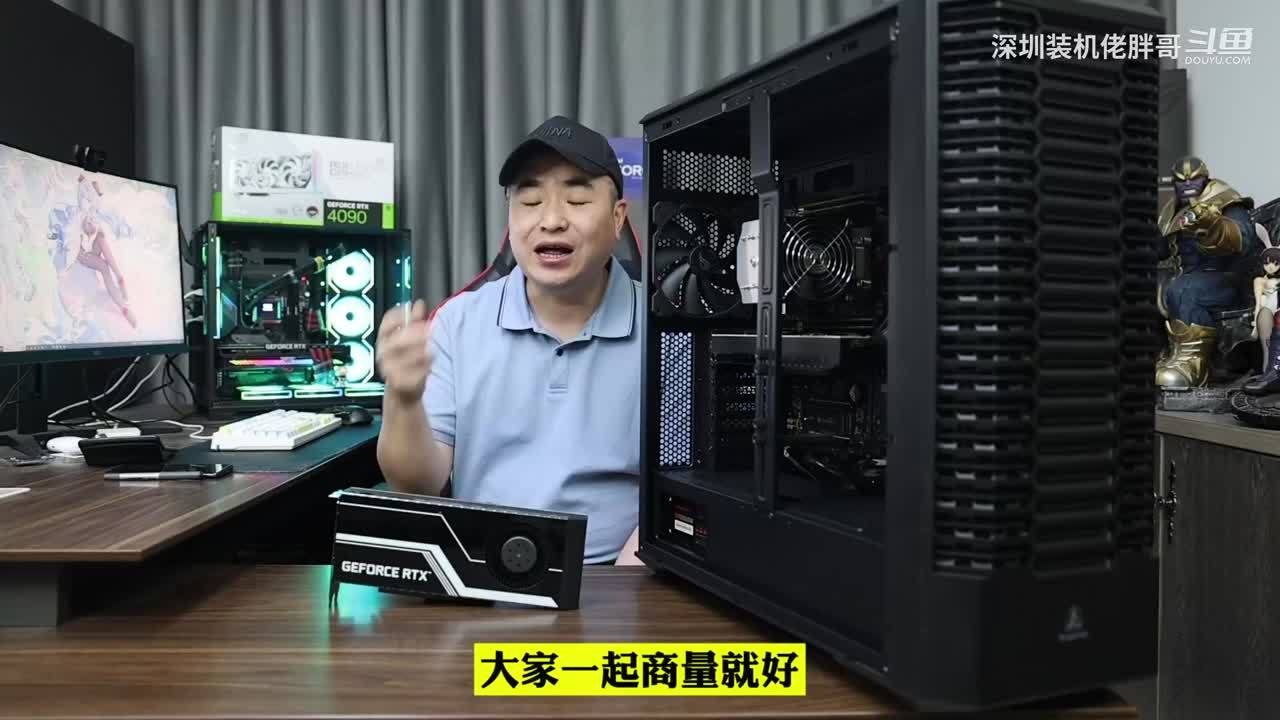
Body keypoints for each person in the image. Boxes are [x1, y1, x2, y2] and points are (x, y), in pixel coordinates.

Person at [375, 116, 643, 565]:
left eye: (577, 199)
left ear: (618, 217)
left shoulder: (665, 329)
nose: (551, 220)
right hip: (482, 573)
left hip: (618, 577)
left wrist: (626, 589)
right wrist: (402, 399)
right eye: (530, 201)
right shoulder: (458, 322)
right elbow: (417, 484)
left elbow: (686, 492)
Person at [1155, 155, 1259, 389]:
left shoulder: (1225, 200)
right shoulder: (1172, 210)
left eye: (1194, 179)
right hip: (1184, 276)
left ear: (1206, 179)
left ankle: (1191, 364)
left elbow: (1244, 240)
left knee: (1185, 289)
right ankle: (1163, 353)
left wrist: (1213, 226)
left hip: (1226, 280)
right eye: (1181, 181)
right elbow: (1163, 249)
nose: (1188, 184)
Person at [1244, 247, 1280, 395]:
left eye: (1275, 263)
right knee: (1267, 315)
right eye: (1267, 263)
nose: (1270, 267)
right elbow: (1259, 304)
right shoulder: (1260, 280)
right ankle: (1270, 372)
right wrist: (1255, 326)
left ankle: (1272, 373)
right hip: (1269, 312)